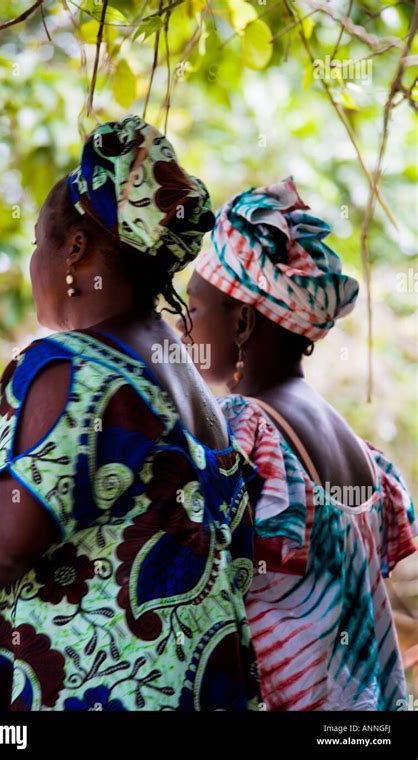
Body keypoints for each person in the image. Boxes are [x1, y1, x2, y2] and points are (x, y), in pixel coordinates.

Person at [0, 116, 260, 711]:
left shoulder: (69, 368)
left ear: (77, 249)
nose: (34, 261)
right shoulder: (197, 396)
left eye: (40, 241)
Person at [179, 177, 416, 711]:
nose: (181, 325)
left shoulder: (244, 426)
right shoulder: (360, 452)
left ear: (241, 320)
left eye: (195, 307)